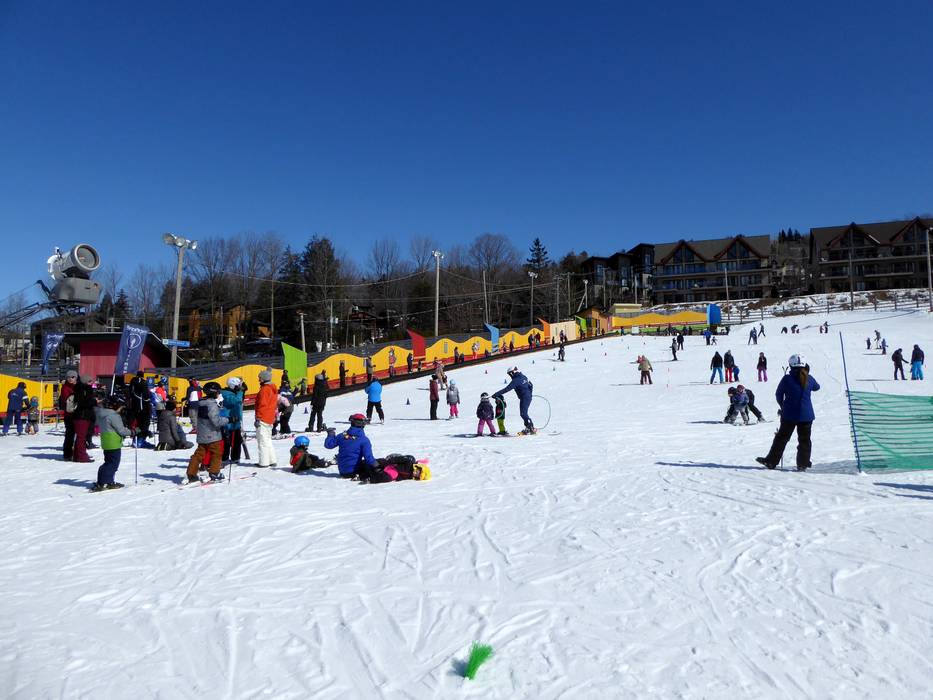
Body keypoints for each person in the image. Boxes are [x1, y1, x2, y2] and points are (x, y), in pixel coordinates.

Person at [756, 354, 820, 471]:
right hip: (806, 415)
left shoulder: (787, 379)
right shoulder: (809, 378)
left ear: (791, 365)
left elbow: (778, 394)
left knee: (781, 438)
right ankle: (803, 463)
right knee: (804, 440)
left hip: (789, 414)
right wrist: (807, 373)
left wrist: (783, 406)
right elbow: (817, 387)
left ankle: (771, 461)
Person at [186, 381, 228, 483]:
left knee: (199, 454)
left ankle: (191, 473)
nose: (219, 394)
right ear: (214, 393)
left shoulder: (201, 403)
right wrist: (228, 420)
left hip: (202, 434)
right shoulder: (212, 405)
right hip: (213, 435)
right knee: (216, 453)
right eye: (218, 392)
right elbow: (216, 421)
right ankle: (214, 472)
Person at [90, 395, 132, 491]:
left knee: (109, 462)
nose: (121, 410)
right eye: (121, 407)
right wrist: (133, 432)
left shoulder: (102, 414)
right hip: (114, 443)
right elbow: (121, 431)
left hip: (106, 442)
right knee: (112, 464)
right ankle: (103, 482)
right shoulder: (113, 416)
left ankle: (109, 481)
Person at [324, 413, 377, 478]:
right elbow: (368, 458)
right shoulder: (364, 440)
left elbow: (328, 445)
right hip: (355, 471)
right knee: (370, 464)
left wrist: (331, 434)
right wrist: (378, 466)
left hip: (342, 471)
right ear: (363, 424)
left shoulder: (342, 436)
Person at [492, 366, 535, 434]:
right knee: (523, 413)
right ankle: (529, 426)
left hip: (525, 398)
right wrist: (529, 394)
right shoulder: (523, 376)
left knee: (523, 413)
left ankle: (530, 427)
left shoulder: (516, 380)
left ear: (512, 372)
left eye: (510, 374)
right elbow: (530, 385)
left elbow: (506, 389)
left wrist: (496, 394)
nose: (510, 376)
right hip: (527, 397)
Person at [254, 369, 278, 467]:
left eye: (260, 378)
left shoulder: (264, 390)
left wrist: (258, 418)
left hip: (263, 418)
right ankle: (272, 460)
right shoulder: (272, 388)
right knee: (267, 440)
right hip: (270, 417)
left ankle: (264, 462)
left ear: (264, 378)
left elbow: (262, 405)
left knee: (262, 441)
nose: (259, 380)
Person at [71, 376, 97, 463]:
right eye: (89, 381)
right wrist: (94, 401)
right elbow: (83, 403)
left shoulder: (81, 389)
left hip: (82, 416)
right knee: (81, 437)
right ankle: (82, 456)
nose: (91, 383)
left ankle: (77, 455)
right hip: (82, 416)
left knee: (80, 437)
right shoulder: (83, 390)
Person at [356, 454, 431, 484]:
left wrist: (398, 478)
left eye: (417, 475)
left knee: (387, 477)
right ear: (418, 467)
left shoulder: (410, 476)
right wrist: (389, 461)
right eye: (417, 472)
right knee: (375, 464)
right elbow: (398, 459)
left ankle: (366, 478)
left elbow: (400, 477)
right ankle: (360, 465)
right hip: (390, 463)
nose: (415, 473)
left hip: (392, 471)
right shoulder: (410, 462)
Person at [220, 378, 243, 461]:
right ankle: (224, 457)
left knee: (237, 441)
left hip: (235, 421)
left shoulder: (233, 393)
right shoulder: (226, 394)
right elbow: (236, 401)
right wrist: (240, 392)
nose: (240, 387)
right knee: (227, 441)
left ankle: (235, 457)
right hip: (229, 422)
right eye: (238, 386)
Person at [128, 371, 153, 446]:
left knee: (136, 423)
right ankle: (140, 440)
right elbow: (146, 395)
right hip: (142, 406)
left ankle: (135, 440)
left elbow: (130, 393)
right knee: (144, 423)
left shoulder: (132, 382)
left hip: (133, 406)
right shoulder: (143, 382)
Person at [59, 370, 79, 459]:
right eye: (68, 377)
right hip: (69, 415)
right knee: (69, 435)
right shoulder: (65, 387)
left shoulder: (79, 386)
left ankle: (77, 453)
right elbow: (66, 399)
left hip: (78, 414)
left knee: (79, 435)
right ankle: (67, 454)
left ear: (76, 378)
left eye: (72, 377)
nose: (70, 379)